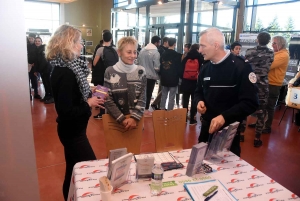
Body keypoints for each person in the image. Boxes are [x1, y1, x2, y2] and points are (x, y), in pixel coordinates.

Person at [45, 25, 104, 201]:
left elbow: (71, 94)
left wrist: (88, 91)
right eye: (78, 42)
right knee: (91, 168)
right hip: (72, 132)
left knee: (72, 170)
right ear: (67, 44)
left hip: (73, 130)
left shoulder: (66, 67)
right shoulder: (66, 72)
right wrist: (89, 102)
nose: (81, 46)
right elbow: (65, 111)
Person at [194, 28, 258, 156]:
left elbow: (250, 102)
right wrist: (199, 101)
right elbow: (198, 91)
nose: (199, 50)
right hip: (206, 131)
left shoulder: (241, 67)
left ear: (216, 45)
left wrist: (224, 117)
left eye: (202, 46)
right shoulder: (205, 67)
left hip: (229, 134)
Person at [103, 36, 146, 129]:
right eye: (129, 52)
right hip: (115, 121)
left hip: (135, 122)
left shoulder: (141, 71)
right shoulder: (109, 71)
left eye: (135, 52)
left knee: (134, 144)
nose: (133, 55)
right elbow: (107, 98)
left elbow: (143, 97)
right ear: (119, 52)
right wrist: (121, 119)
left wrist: (134, 118)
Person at [245, 32, 274, 147]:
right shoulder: (271, 53)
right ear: (268, 41)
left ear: (257, 40)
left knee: (244, 107)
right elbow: (269, 65)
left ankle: (241, 134)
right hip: (263, 84)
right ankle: (257, 138)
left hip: (249, 83)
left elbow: (245, 63)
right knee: (261, 111)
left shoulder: (250, 51)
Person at [263, 36, 289, 134]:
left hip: (274, 84)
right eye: (272, 43)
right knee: (263, 105)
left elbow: (269, 65)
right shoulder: (276, 53)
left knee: (269, 106)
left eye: (274, 43)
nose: (272, 45)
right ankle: (260, 123)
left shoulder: (283, 55)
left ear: (281, 44)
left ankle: (267, 126)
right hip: (267, 82)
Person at [92, 31, 118, 119]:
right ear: (111, 39)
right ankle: (114, 113)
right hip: (114, 75)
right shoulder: (115, 49)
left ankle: (102, 113)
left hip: (103, 75)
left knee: (101, 94)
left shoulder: (100, 49)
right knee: (113, 94)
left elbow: (94, 63)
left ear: (103, 39)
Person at [180, 43, 204, 125]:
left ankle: (184, 117)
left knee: (185, 99)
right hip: (195, 83)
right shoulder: (200, 58)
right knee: (194, 100)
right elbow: (202, 71)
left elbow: (181, 70)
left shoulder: (186, 58)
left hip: (186, 82)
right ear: (198, 49)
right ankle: (192, 119)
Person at [137, 36, 161, 117]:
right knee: (149, 92)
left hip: (141, 74)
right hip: (151, 76)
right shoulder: (156, 53)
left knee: (142, 92)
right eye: (159, 42)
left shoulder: (142, 50)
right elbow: (157, 67)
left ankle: (140, 108)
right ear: (157, 42)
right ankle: (146, 109)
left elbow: (138, 62)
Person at [160, 37, 182, 110]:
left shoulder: (163, 54)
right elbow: (179, 68)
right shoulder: (177, 55)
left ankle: (162, 110)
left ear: (168, 43)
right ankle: (169, 113)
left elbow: (161, 66)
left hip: (164, 78)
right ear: (175, 44)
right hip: (173, 78)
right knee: (171, 97)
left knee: (164, 95)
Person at [34, 36, 54, 104]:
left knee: (48, 83)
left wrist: (40, 69)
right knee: (45, 83)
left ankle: (52, 97)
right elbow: (37, 61)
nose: (37, 42)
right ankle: (47, 95)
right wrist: (37, 70)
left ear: (41, 42)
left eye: (39, 41)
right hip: (42, 70)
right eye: (36, 41)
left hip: (46, 69)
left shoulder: (44, 48)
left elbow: (44, 60)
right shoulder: (37, 49)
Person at [151, 36, 169, 110]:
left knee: (162, 89)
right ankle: (157, 104)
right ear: (165, 42)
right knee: (163, 89)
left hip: (163, 72)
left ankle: (156, 104)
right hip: (162, 72)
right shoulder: (161, 50)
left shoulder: (163, 50)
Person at [27, 33, 41, 100]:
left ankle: (36, 93)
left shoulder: (36, 47)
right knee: (27, 81)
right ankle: (28, 95)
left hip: (34, 66)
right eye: (29, 38)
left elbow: (37, 57)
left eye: (32, 38)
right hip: (27, 65)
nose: (30, 40)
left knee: (35, 80)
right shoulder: (26, 46)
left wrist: (34, 64)